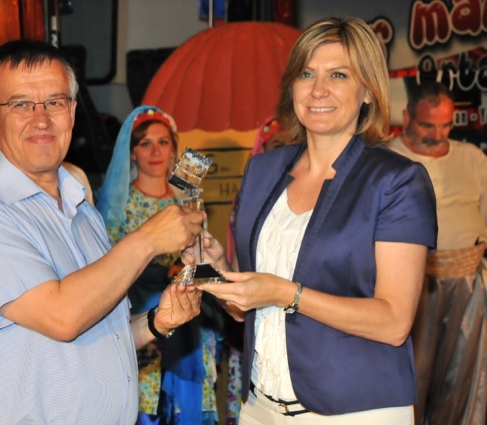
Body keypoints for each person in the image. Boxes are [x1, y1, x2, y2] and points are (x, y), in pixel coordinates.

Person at [0, 39, 205, 424]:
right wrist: (147, 240)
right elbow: (62, 317)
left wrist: (156, 322)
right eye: (21, 104)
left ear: (72, 112)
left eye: (55, 102)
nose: (41, 119)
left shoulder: (82, 209)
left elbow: (96, 337)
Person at [196, 17, 438, 423]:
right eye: (307, 74)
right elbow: (245, 308)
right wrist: (219, 270)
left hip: (354, 411)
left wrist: (285, 293)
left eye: (338, 74)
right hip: (259, 407)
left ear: (367, 91)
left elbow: (394, 322)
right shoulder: (262, 171)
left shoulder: (396, 181)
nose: (318, 89)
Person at [97, 105, 226, 424]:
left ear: (174, 150)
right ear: (132, 152)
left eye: (163, 142)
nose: (155, 151)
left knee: (189, 407)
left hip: (188, 319)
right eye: (145, 143)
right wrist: (160, 270)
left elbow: (203, 257)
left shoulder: (188, 201)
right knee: (148, 405)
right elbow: (107, 268)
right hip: (141, 319)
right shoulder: (117, 205)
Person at [388, 81, 487, 425]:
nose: (437, 134)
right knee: (414, 370)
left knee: (462, 373)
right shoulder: (386, 158)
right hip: (410, 283)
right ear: (406, 118)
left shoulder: (472, 157)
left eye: (445, 125)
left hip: (469, 282)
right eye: (427, 125)